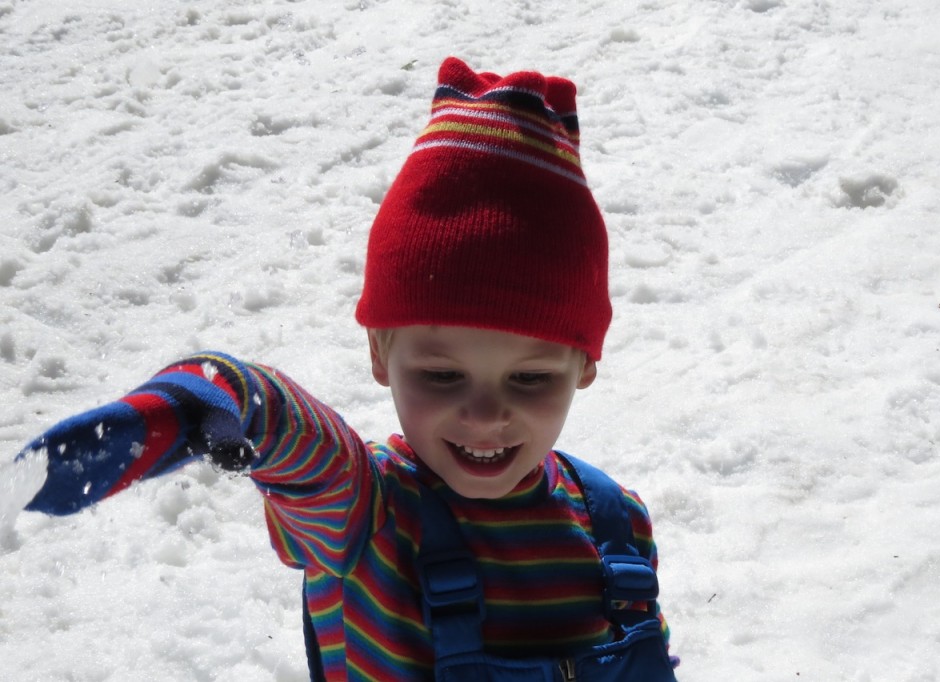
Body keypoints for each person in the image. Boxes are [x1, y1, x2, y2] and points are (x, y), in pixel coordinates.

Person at [16, 57, 678, 681]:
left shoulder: (616, 525)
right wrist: (200, 407)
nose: (484, 414)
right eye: (442, 376)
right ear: (380, 353)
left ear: (584, 363)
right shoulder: (365, 516)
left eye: (530, 378)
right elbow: (289, 433)